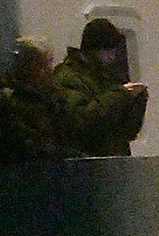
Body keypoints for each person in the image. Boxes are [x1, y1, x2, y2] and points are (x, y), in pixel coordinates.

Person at [51, 18, 147, 156]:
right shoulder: (68, 77)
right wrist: (121, 95)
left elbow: (126, 132)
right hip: (88, 163)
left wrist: (136, 103)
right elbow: (83, 121)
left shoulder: (105, 77)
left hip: (110, 162)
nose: (112, 56)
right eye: (108, 50)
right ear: (94, 48)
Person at [0, 39, 66, 163]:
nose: (49, 70)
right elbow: (22, 142)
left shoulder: (49, 93)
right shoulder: (7, 98)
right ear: (27, 65)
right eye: (43, 64)